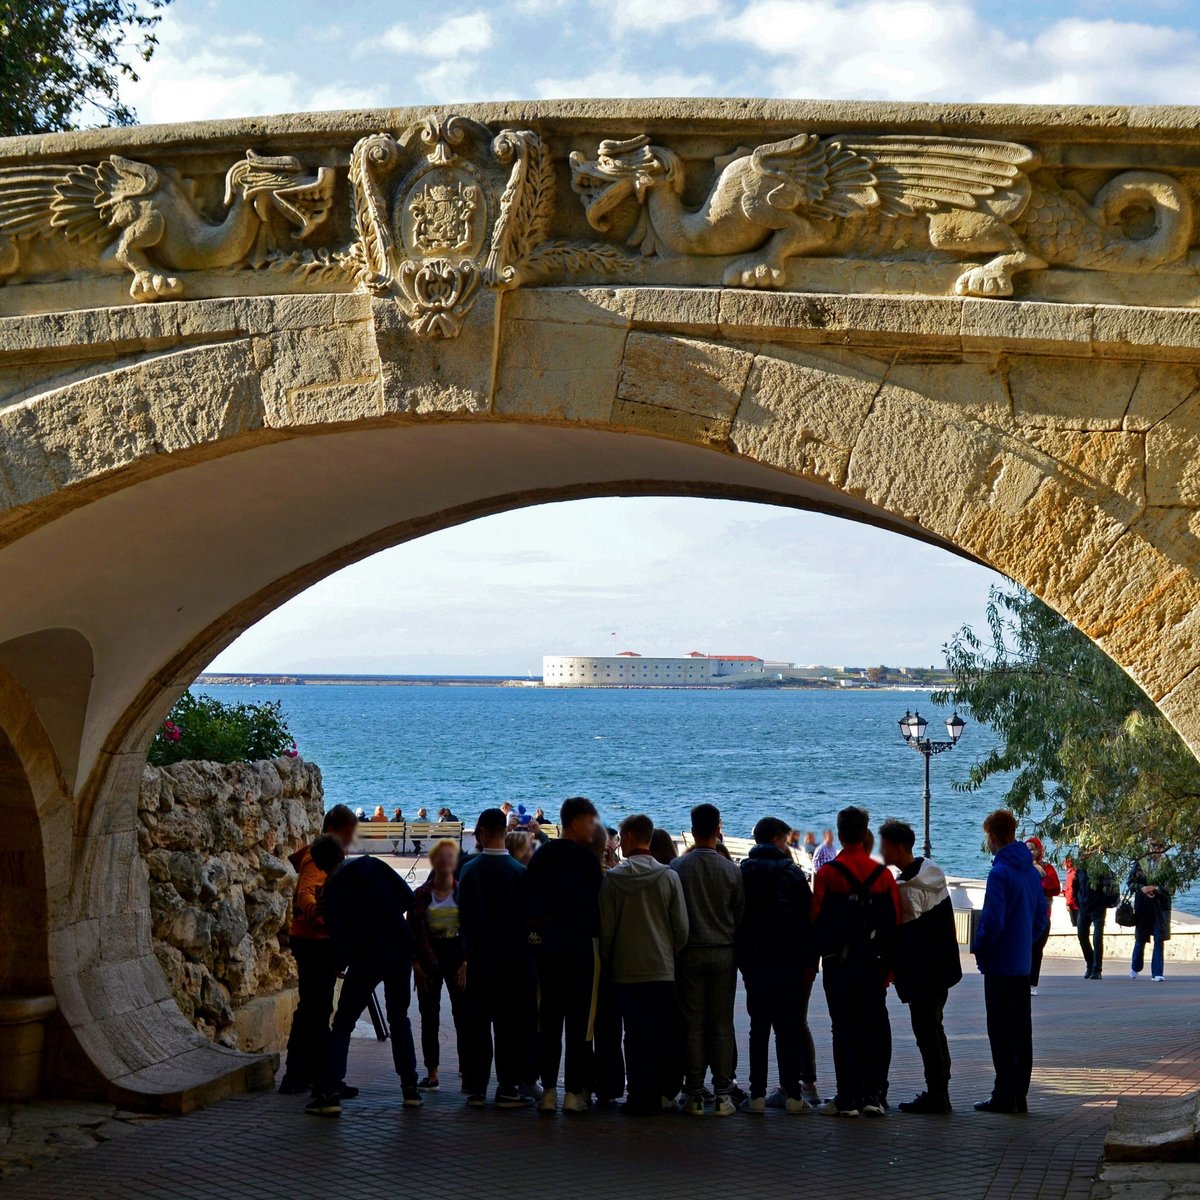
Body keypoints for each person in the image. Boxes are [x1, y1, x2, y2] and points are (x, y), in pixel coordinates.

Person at [305, 834, 421, 1118]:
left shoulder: (331, 891)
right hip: (398, 949)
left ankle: (330, 1092)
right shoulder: (372, 864)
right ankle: (410, 1089)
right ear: (343, 852)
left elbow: (339, 937)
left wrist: (339, 963)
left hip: (365, 958)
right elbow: (407, 898)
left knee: (343, 1021)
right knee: (399, 1017)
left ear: (320, 866)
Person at [811, 806, 900, 1119]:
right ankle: (873, 1094)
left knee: (843, 1029)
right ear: (865, 835)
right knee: (874, 1026)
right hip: (874, 965)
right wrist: (888, 969)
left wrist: (815, 962)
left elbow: (816, 921)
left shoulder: (827, 874)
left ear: (839, 833)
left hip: (839, 965)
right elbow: (894, 925)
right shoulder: (884, 876)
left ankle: (847, 1096)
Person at [599, 814, 689, 1116]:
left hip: (626, 969)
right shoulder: (668, 877)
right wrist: (668, 952)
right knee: (660, 1034)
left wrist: (612, 960)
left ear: (625, 835)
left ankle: (637, 1094)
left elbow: (607, 931)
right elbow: (681, 929)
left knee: (633, 1036)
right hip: (661, 967)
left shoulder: (613, 880)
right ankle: (661, 1092)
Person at [524, 796, 603, 1115]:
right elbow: (598, 904)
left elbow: (530, 901)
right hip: (582, 948)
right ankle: (574, 1092)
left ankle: (549, 1092)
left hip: (548, 948)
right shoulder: (587, 860)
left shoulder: (544, 856)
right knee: (580, 1023)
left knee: (550, 1020)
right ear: (575, 823)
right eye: (590, 821)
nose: (594, 827)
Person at [878, 819, 962, 1115]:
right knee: (935, 1029)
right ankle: (941, 1088)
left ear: (898, 848)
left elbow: (901, 939)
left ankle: (938, 1094)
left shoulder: (906, 890)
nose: (880, 850)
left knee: (926, 1031)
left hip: (922, 974)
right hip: (944, 968)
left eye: (884, 846)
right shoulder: (932, 871)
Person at [737, 816, 818, 1115]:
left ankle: (756, 1095)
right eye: (785, 840)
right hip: (789, 964)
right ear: (775, 840)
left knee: (758, 1030)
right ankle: (793, 1095)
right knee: (788, 1030)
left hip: (756, 964)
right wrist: (810, 962)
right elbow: (808, 921)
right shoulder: (792, 873)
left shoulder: (743, 872)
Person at [458, 807, 537, 1108]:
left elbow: (461, 918)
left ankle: (476, 1087)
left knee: (477, 1026)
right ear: (505, 832)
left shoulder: (468, 870)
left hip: (478, 958)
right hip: (513, 961)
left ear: (480, 833)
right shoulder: (520, 873)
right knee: (509, 1027)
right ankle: (507, 1087)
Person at [279, 804, 359, 1096]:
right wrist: (324, 916)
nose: (351, 841)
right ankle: (313, 1077)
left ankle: (302, 1075)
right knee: (317, 1008)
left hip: (311, 940)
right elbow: (305, 895)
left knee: (311, 1008)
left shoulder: (322, 853)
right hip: (314, 941)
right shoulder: (316, 859)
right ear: (335, 830)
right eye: (349, 834)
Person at [671, 803, 744, 1117]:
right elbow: (739, 915)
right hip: (723, 951)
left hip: (689, 952)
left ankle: (695, 1092)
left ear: (692, 826)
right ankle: (724, 1093)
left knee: (692, 1024)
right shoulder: (732, 870)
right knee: (721, 1023)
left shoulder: (677, 868)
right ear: (718, 827)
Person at [972, 809, 1047, 1115]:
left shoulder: (999, 873)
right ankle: (1019, 1094)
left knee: (1000, 1031)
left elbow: (992, 920)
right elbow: (1041, 918)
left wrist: (980, 948)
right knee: (1021, 1031)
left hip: (1000, 965)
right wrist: (1024, 944)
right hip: (1021, 963)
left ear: (992, 835)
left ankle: (1004, 1094)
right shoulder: (1030, 872)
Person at [409, 839, 467, 1092]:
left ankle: (467, 1069)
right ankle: (432, 1073)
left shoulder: (463, 893)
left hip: (456, 959)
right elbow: (410, 933)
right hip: (428, 959)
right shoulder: (420, 895)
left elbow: (472, 930)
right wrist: (415, 965)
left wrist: (467, 962)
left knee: (464, 1016)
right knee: (428, 1017)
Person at [1129, 843, 1172, 981]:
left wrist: (1156, 888)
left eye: (1159, 847)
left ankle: (1157, 973)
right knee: (1140, 939)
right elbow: (1130, 883)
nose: (1156, 850)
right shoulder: (1140, 863)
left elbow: (1172, 887)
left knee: (1159, 939)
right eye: (1153, 846)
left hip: (1160, 908)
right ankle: (1135, 967)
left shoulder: (1167, 864)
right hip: (1143, 908)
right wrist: (1142, 888)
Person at [1025, 837, 1060, 995]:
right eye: (1027, 849)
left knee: (1037, 950)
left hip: (1042, 916)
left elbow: (1054, 887)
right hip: (1025, 915)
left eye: (1032, 849)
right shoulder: (1021, 868)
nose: (1030, 852)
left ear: (1038, 851)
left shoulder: (1046, 868)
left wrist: (1040, 874)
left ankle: (1033, 983)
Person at [1074, 854, 1115, 980]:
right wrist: (1077, 901)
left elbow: (1109, 888)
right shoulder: (1080, 869)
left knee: (1097, 939)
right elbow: (1075, 886)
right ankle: (1090, 964)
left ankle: (1097, 969)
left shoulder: (1103, 868)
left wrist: (1102, 903)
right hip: (1083, 908)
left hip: (1098, 909)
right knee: (1082, 937)